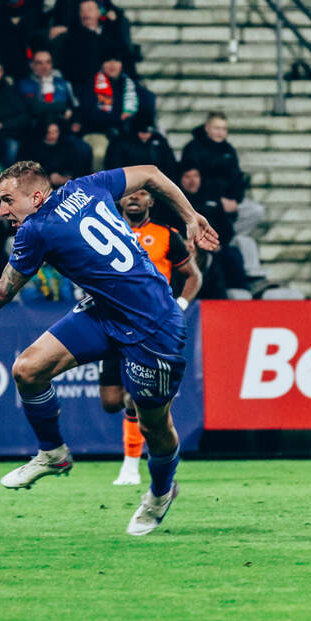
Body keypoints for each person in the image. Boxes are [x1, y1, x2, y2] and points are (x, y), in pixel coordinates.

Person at [0, 161, 219, 536]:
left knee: (154, 425)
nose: (3, 210)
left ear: (36, 197)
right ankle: (53, 453)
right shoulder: (87, 186)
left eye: (8, 200)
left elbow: (3, 291)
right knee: (27, 369)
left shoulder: (36, 230)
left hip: (153, 325)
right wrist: (190, 216)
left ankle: (160, 492)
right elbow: (152, 173)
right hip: (103, 312)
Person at [99, 187, 203, 486]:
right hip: (113, 319)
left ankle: (131, 465)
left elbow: (193, 276)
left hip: (151, 325)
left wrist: (180, 304)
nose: (134, 197)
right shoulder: (105, 230)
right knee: (111, 401)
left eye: (142, 193)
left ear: (151, 201)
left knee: (136, 397)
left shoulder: (166, 235)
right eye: (130, 193)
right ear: (120, 199)